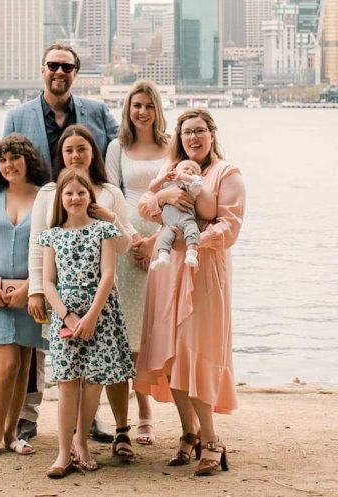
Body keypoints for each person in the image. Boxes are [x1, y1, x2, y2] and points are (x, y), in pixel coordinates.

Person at [3, 43, 119, 441]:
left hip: (87, 223)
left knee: (91, 332)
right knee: (34, 333)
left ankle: (90, 418)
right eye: (52, 65)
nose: (59, 72)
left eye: (66, 67)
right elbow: (7, 171)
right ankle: (28, 415)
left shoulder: (98, 113)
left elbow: (117, 159)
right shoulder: (18, 116)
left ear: (75, 72)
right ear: (42, 69)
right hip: (41, 219)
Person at [135, 108, 246, 476]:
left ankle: (211, 439)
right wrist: (165, 195)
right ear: (179, 138)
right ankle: (188, 432)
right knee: (170, 353)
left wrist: (192, 234)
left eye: (199, 131)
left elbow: (229, 226)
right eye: (186, 133)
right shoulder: (171, 172)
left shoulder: (226, 174)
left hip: (202, 270)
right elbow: (146, 206)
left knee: (195, 351)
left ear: (212, 134)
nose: (193, 138)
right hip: (167, 272)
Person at [28, 124, 137, 458]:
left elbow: (123, 246)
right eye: (69, 150)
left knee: (106, 371)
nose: (76, 156)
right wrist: (38, 291)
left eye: (83, 149)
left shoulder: (109, 193)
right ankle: (70, 444)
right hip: (65, 305)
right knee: (69, 376)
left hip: (102, 303)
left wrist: (107, 217)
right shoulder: (48, 194)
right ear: (61, 155)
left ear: (94, 152)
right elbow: (39, 246)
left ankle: (115, 431)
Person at [0, 134, 49, 459]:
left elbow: (48, 244)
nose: (8, 165)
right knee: (8, 363)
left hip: (31, 292)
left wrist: (31, 287)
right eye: (2, 160)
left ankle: (11, 433)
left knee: (24, 365)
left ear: (27, 160)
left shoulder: (45, 197)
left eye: (14, 158)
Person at [105, 79, 170, 446]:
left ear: (156, 109)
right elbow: (113, 196)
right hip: (126, 242)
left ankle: (168, 410)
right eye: (135, 106)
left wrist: (155, 240)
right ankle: (139, 414)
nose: (141, 112)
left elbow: (179, 194)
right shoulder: (118, 147)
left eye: (147, 105)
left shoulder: (171, 145)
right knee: (129, 333)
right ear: (128, 110)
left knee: (157, 330)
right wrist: (132, 241)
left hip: (164, 240)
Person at [148, 159, 203, 269]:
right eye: (186, 168)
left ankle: (192, 254)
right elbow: (152, 188)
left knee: (192, 232)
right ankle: (163, 257)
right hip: (169, 224)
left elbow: (197, 183)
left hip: (187, 221)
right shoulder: (167, 185)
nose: (189, 170)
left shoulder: (191, 188)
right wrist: (163, 178)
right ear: (174, 170)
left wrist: (182, 176)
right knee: (164, 238)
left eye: (193, 170)